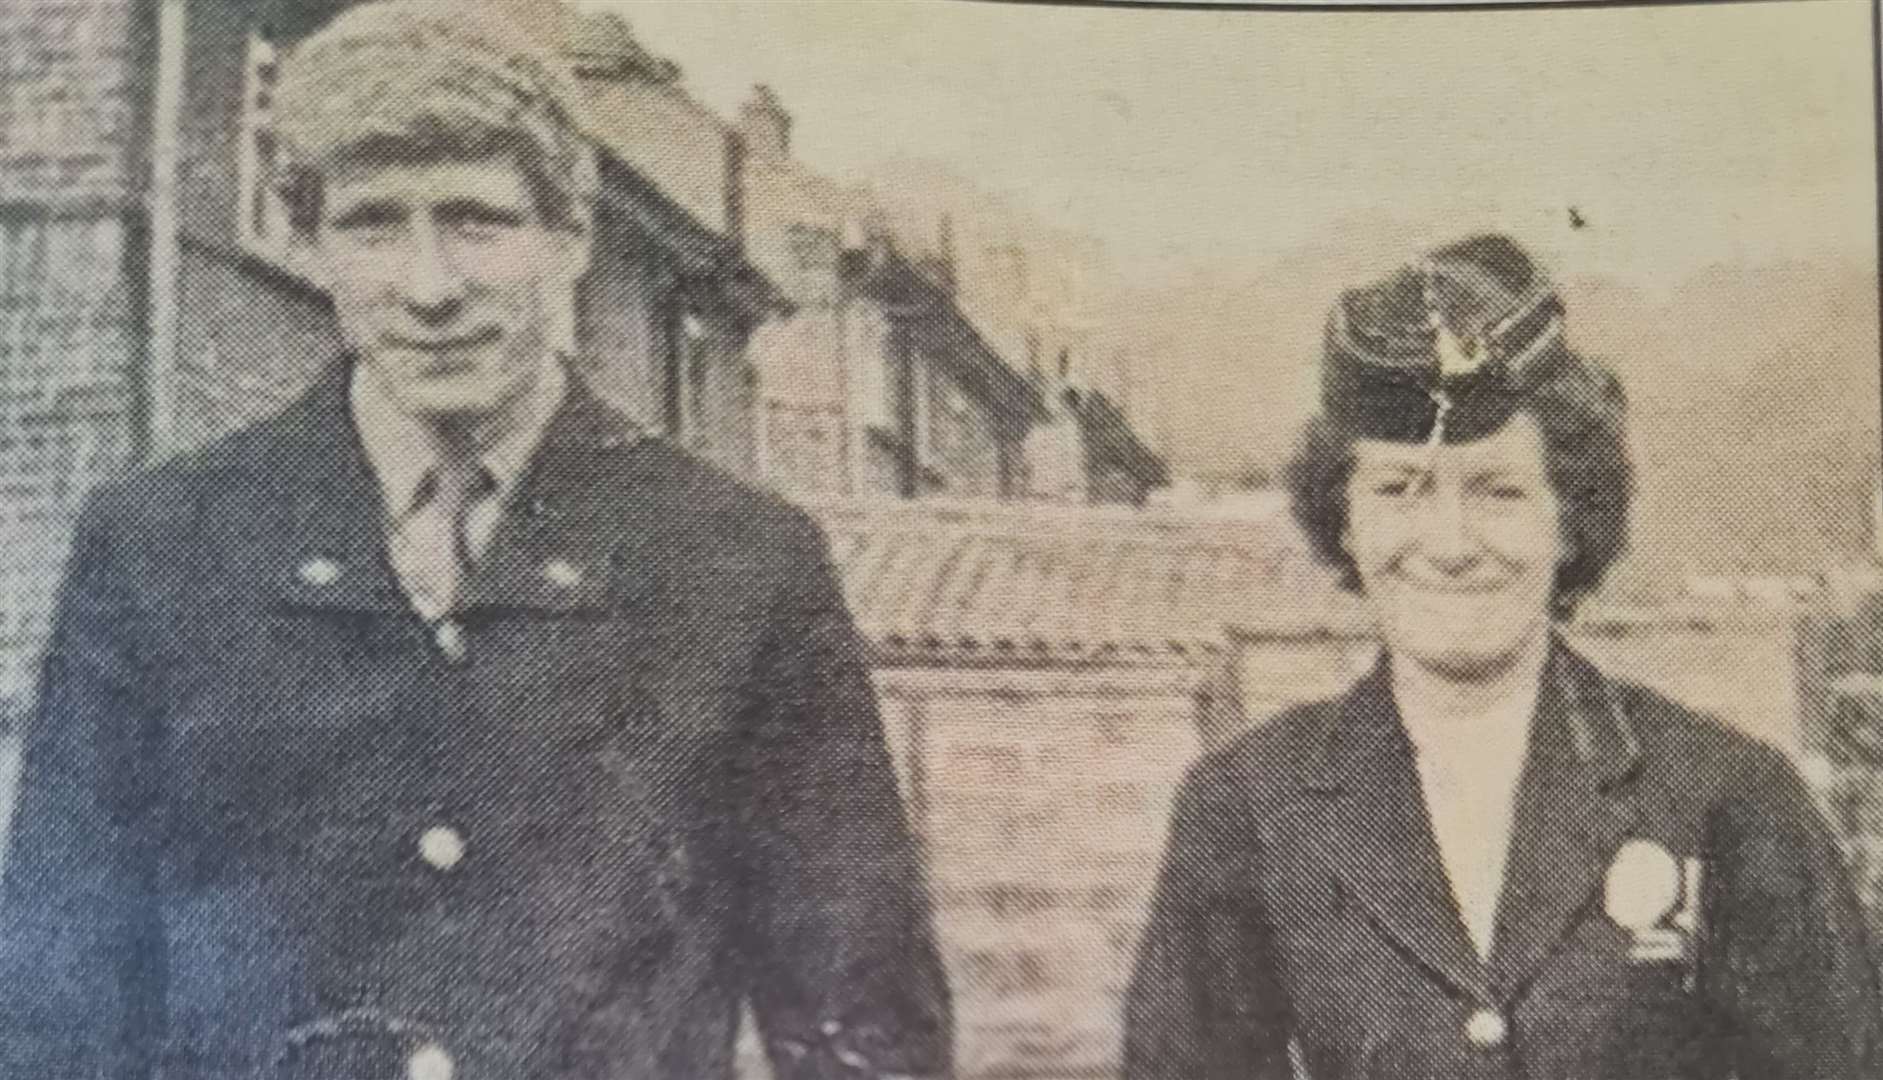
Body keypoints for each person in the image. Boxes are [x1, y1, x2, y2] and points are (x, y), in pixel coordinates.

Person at [0, 4, 950, 1078]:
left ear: (570, 239)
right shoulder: (161, 551)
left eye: (477, 222)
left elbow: (860, 1019)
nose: (428, 287)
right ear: (311, 244)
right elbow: (56, 1011)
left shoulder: (737, 566)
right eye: (371, 225)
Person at [1123, 233, 1882, 1080]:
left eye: (1499, 490)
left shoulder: (1729, 798)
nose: (1449, 545)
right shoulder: (1245, 810)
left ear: (1569, 518)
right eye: (1398, 488)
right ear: (1346, 521)